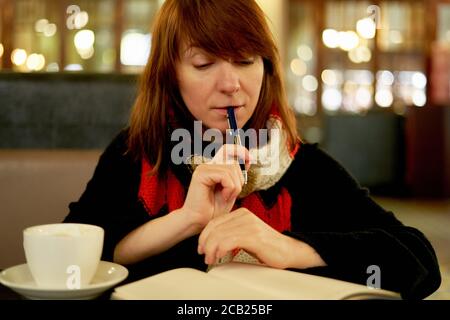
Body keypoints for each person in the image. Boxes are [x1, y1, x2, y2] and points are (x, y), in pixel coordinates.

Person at [63, 0, 441, 300]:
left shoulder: (301, 164)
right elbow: (74, 259)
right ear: (169, 74)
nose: (230, 84)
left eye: (245, 60)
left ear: (266, 68)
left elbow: (419, 261)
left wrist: (288, 248)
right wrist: (188, 219)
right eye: (204, 63)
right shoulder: (137, 151)